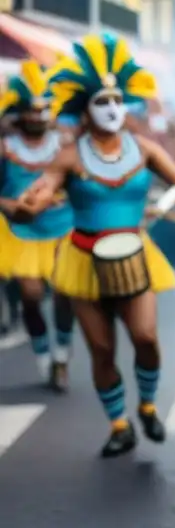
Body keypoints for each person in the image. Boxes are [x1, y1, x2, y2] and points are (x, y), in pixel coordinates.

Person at [15, 34, 175, 457]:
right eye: (102, 101)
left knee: (146, 337)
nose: (113, 108)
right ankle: (120, 424)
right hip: (83, 260)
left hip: (136, 256)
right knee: (102, 349)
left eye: (118, 99)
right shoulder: (67, 155)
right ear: (85, 109)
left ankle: (149, 406)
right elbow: (45, 190)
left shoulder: (146, 148)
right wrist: (31, 203)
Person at [0, 60, 75, 390]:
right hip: (21, 232)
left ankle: (61, 358)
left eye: (45, 109)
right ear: (21, 111)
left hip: (63, 227)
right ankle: (43, 356)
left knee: (65, 295)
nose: (38, 116)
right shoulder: (5, 148)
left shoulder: (65, 144)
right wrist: (11, 206)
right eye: (32, 110)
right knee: (31, 297)